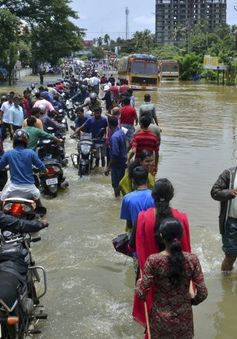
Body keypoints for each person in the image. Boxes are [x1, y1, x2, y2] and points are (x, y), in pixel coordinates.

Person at [131, 178, 191, 327]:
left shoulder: (143, 218)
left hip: (150, 277)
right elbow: (187, 250)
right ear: (171, 196)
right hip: (176, 275)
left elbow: (132, 246)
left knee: (151, 321)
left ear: (153, 195)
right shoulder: (181, 218)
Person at [135, 217, 208, 339]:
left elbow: (141, 293)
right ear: (181, 235)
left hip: (160, 320)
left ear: (162, 237)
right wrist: (190, 302)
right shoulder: (192, 259)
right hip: (184, 318)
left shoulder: (154, 260)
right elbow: (203, 293)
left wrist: (139, 282)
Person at [0, 129, 46, 208]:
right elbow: (41, 166)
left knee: (1, 202)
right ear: (26, 141)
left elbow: (0, 166)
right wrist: (45, 170)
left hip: (12, 188)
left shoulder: (8, 153)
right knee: (39, 205)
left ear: (14, 141)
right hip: (30, 188)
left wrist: (4, 168)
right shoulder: (31, 152)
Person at [210, 166, 237, 271]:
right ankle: (226, 283)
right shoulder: (229, 174)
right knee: (231, 257)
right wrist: (228, 193)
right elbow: (214, 192)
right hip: (231, 222)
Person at [120, 166, 154, 232]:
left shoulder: (127, 198)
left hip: (136, 235)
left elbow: (129, 224)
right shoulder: (155, 195)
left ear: (133, 181)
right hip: (151, 234)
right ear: (147, 180)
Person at [105, 116, 127, 197]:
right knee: (121, 183)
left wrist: (108, 167)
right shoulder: (122, 132)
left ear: (109, 125)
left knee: (116, 184)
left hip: (117, 164)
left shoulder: (114, 137)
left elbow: (115, 155)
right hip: (123, 161)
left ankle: (117, 199)